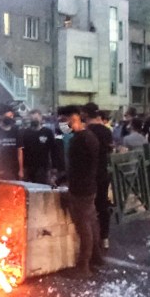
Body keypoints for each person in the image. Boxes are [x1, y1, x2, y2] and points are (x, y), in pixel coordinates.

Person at [59, 105, 104, 277]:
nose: (62, 125)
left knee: (83, 227)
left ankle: (83, 266)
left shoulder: (80, 139)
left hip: (81, 189)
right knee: (91, 222)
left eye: (64, 121)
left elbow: (78, 168)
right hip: (88, 186)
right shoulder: (88, 136)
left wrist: (67, 184)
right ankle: (97, 258)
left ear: (73, 119)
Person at [82, 103, 114, 250]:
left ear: (86, 115)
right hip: (103, 172)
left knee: (87, 208)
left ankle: (90, 241)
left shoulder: (85, 132)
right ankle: (104, 238)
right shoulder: (106, 131)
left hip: (88, 174)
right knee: (103, 205)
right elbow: (109, 151)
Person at [22, 109, 58, 185]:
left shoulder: (47, 132)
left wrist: (54, 167)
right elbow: (21, 151)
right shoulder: (25, 133)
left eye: (36, 118)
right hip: (28, 167)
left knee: (42, 188)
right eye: (32, 119)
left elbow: (54, 150)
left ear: (41, 118)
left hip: (43, 167)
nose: (34, 120)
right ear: (29, 119)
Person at [0, 108, 24, 180]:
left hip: (13, 168)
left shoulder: (16, 131)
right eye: (8, 116)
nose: (10, 118)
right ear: (2, 116)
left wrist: (21, 170)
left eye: (11, 116)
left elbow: (20, 152)